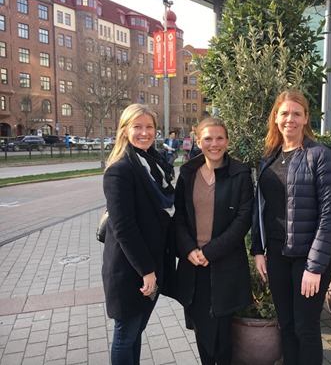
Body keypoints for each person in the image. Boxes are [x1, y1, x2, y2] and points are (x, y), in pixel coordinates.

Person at [251, 89, 331, 365]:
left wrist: (315, 267)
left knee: (306, 328)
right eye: (284, 113)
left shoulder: (319, 155)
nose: (290, 119)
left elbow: (329, 215)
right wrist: (258, 250)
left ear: (305, 119)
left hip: (307, 256)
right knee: (286, 325)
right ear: (275, 118)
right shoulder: (270, 158)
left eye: (296, 114)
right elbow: (261, 208)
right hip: (277, 254)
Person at [175, 117, 254, 365]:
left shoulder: (240, 174)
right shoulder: (187, 174)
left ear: (227, 141)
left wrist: (210, 252)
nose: (214, 144)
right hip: (194, 264)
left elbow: (243, 221)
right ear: (198, 141)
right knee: (202, 329)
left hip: (224, 265)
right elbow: (178, 217)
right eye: (207, 138)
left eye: (220, 138)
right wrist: (189, 249)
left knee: (221, 332)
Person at [102, 103, 176, 365]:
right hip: (131, 269)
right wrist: (147, 270)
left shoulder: (154, 165)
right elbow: (124, 228)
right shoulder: (119, 171)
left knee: (136, 331)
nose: (144, 133)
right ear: (124, 130)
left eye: (149, 127)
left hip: (151, 264)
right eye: (137, 127)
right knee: (125, 335)